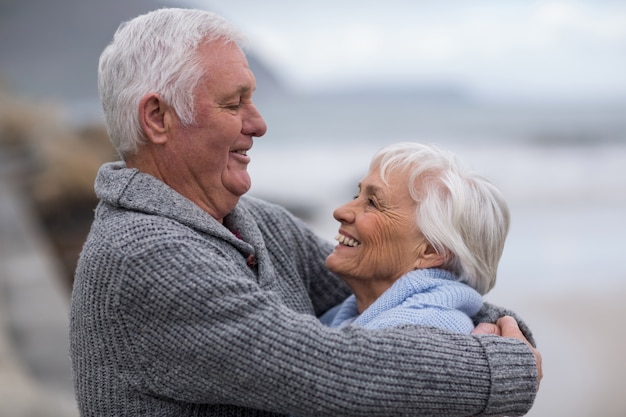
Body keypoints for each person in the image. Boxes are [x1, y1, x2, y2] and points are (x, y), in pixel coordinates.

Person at [69, 7, 542, 417]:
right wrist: (500, 365)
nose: (258, 123)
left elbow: (390, 280)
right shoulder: (144, 256)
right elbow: (328, 367)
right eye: (233, 104)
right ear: (158, 118)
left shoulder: (253, 223)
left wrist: (500, 327)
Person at [320, 142, 508, 334]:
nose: (341, 211)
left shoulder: (426, 329)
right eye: (356, 195)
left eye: (373, 203)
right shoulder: (357, 313)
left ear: (431, 251)